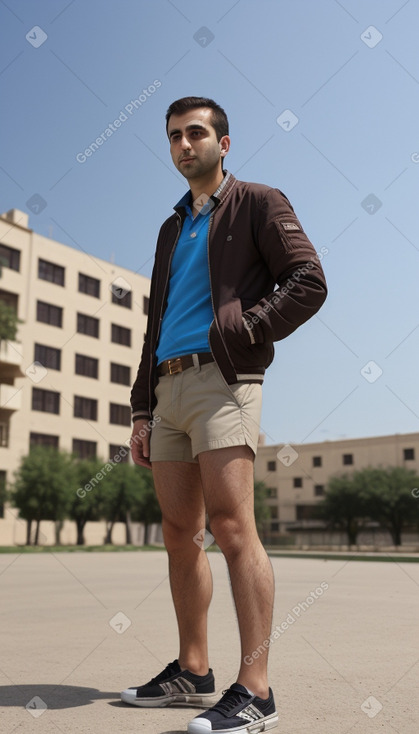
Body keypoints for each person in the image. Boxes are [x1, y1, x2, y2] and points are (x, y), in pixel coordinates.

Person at [121, 96, 327, 733]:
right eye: (175, 136)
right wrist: (140, 407)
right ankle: (193, 669)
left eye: (197, 133)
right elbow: (154, 323)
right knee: (180, 533)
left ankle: (256, 689)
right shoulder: (170, 227)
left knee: (235, 529)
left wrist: (245, 331)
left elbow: (309, 279)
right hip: (168, 388)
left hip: (224, 381)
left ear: (224, 143)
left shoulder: (259, 202)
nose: (185, 145)